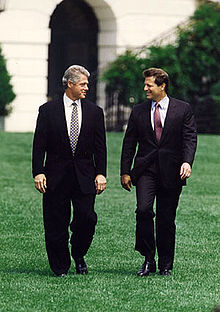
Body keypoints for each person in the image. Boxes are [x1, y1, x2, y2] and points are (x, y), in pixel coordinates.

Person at [121, 68, 197, 276]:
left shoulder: (183, 109)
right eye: (145, 84)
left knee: (166, 218)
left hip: (172, 171)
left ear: (162, 86)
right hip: (145, 170)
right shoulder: (138, 111)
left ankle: (165, 263)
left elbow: (190, 138)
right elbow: (129, 143)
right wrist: (125, 172)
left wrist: (187, 162)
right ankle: (147, 258)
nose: (145, 88)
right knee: (143, 210)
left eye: (149, 85)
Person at [32, 65, 107, 277]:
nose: (87, 88)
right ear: (70, 84)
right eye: (83, 84)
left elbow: (100, 147)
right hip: (55, 176)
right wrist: (38, 172)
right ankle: (60, 267)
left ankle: (79, 252)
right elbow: (39, 145)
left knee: (87, 218)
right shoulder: (47, 111)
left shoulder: (95, 112)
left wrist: (101, 173)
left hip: (85, 177)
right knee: (55, 222)